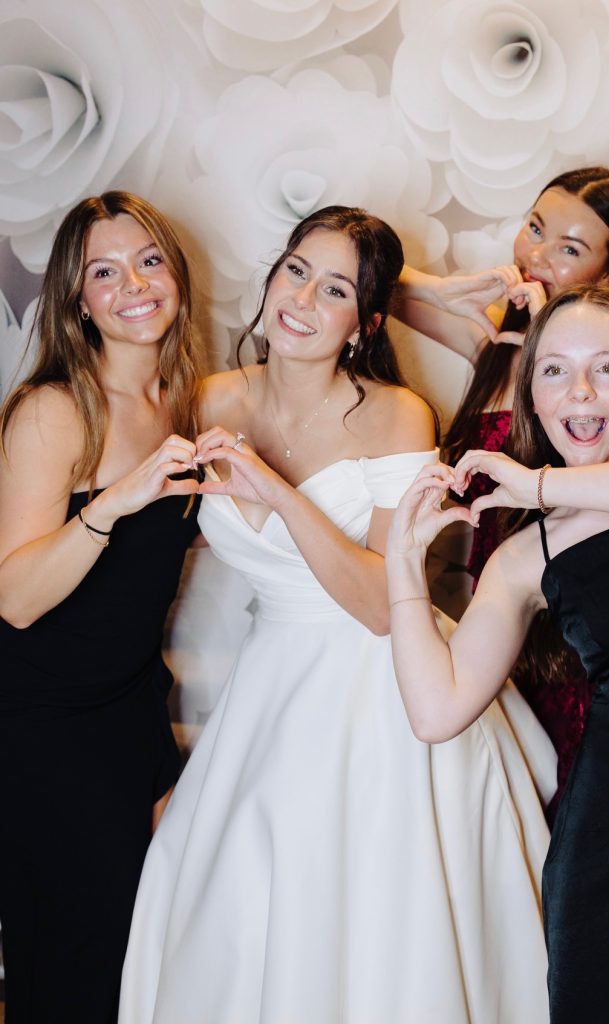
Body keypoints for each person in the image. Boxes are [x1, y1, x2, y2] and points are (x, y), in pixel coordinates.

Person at [119, 206, 555, 1024]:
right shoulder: (209, 398)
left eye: (335, 290)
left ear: (366, 323)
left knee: (373, 913)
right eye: (296, 271)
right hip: (269, 682)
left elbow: (381, 604)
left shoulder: (396, 414)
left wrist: (279, 496)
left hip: (382, 686)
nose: (302, 301)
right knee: (232, 903)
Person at [385, 284, 609, 1022]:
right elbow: (436, 711)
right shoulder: (527, 556)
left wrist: (539, 482)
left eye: (608, 368)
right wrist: (402, 562)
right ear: (531, 397)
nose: (579, 390)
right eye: (552, 370)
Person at [397, 166, 609, 799]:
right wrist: (445, 291)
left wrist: (584, 335)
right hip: (530, 634)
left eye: (569, 248)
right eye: (535, 229)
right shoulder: (493, 349)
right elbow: (368, 280)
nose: (536, 257)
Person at [0, 192, 203, 1023]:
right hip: (46, 725)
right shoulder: (54, 409)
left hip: (132, 706)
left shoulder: (185, 399)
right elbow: (15, 599)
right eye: (104, 272)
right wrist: (116, 501)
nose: (134, 286)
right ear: (78, 299)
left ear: (177, 276)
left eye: (149, 261)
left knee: (144, 948)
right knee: (75, 963)